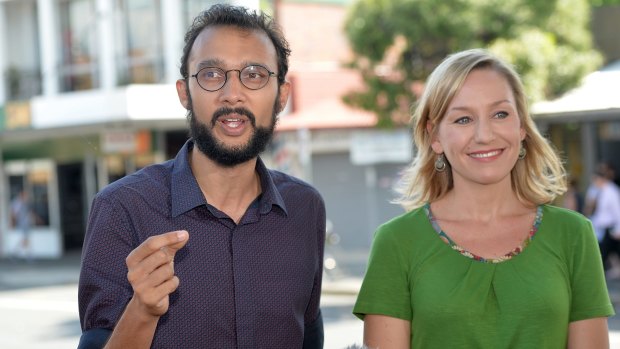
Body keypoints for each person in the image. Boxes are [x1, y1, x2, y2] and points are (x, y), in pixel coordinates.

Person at [78, 5, 325, 348]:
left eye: (253, 74)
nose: (232, 93)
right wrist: (143, 310)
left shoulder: (305, 207)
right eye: (211, 74)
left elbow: (308, 334)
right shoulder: (122, 208)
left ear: (281, 96)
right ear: (184, 93)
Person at [353, 49, 614, 348]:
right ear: (435, 136)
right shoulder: (397, 242)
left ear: (521, 127)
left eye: (500, 114)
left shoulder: (574, 234)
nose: (484, 135)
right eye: (463, 119)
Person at [588, 163, 620, 272]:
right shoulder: (598, 191)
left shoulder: (612, 191)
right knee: (605, 254)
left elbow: (617, 211)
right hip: (601, 229)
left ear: (601, 179)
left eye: (595, 180)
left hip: (611, 229)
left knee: (602, 255)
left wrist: (618, 229)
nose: (594, 182)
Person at [10, 190, 33, 260]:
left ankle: (19, 253)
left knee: (25, 239)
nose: (27, 197)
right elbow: (14, 213)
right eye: (26, 196)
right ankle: (24, 254)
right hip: (22, 223)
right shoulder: (18, 203)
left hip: (26, 223)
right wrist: (13, 223)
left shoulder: (24, 203)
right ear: (22, 195)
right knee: (25, 239)